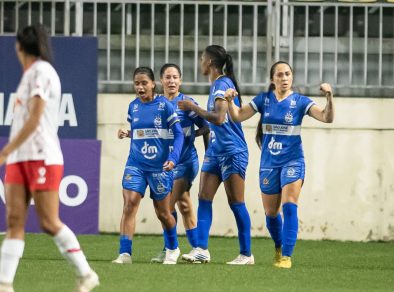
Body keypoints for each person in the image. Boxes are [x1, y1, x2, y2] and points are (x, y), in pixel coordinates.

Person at [0, 24, 99, 292]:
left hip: (42, 156)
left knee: (47, 221)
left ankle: (86, 273)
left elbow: (34, 118)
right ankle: (5, 284)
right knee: (14, 222)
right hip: (20, 158)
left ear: (20, 46)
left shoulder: (42, 71)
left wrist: (6, 150)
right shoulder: (28, 74)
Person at [224, 61, 334, 268]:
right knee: (271, 214)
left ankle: (287, 257)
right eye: (280, 75)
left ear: (292, 77)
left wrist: (329, 97)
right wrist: (230, 101)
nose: (284, 78)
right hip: (269, 164)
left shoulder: (300, 101)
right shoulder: (263, 100)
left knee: (289, 205)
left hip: (293, 161)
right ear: (272, 79)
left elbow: (327, 118)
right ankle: (278, 247)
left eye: (287, 74)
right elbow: (237, 116)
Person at [178, 45, 254, 265]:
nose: (200, 62)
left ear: (209, 63)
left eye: (202, 58)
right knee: (203, 197)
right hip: (215, 149)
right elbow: (216, 124)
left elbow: (219, 118)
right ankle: (201, 249)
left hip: (232, 151)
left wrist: (194, 108)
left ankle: (246, 254)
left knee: (236, 202)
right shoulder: (216, 86)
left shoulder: (222, 84)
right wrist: (196, 131)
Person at [112, 67, 184, 265]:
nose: (140, 87)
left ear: (153, 84)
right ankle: (124, 253)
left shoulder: (165, 106)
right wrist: (127, 134)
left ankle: (173, 248)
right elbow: (141, 132)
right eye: (137, 83)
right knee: (129, 205)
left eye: (144, 83)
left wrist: (173, 158)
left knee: (163, 213)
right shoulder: (132, 107)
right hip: (135, 164)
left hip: (160, 168)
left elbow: (178, 134)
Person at [150, 64, 210, 263]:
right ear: (161, 81)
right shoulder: (156, 104)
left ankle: (170, 248)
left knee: (167, 204)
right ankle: (197, 249)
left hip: (185, 162)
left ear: (180, 80)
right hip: (166, 164)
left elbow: (206, 126)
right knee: (183, 204)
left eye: (175, 77)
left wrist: (191, 136)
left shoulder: (186, 103)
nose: (172, 81)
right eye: (168, 77)